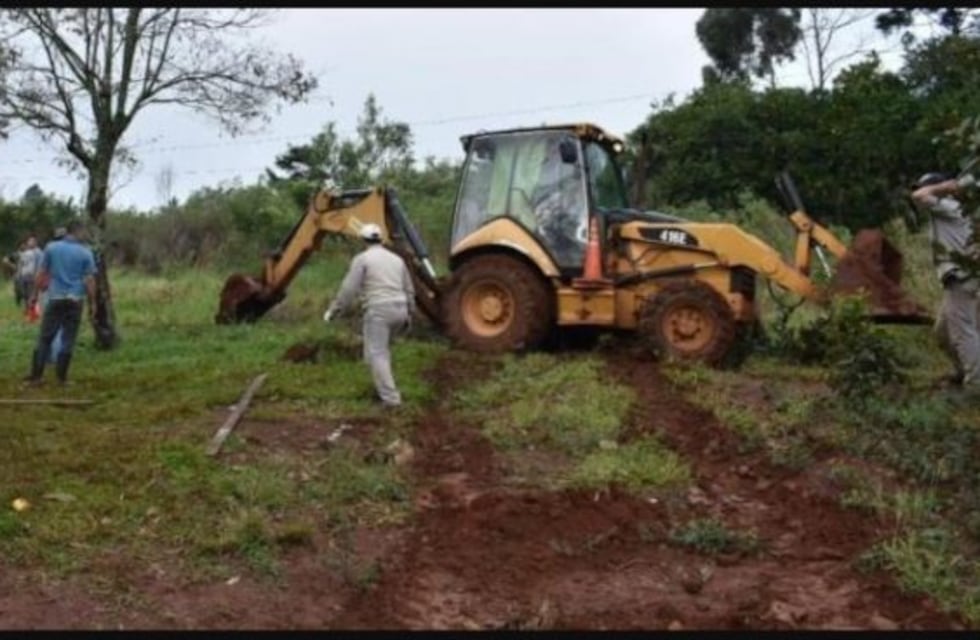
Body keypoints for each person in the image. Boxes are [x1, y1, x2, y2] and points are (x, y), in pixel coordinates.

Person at [322, 223, 415, 408]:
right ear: (381, 238)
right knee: (378, 352)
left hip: (379, 310)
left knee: (377, 354)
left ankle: (391, 400)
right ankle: (381, 386)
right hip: (400, 309)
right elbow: (409, 288)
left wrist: (335, 310)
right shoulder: (396, 259)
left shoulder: (363, 259)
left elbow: (349, 289)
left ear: (363, 240)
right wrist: (410, 312)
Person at [911, 171, 980, 392]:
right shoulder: (948, 211)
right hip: (959, 278)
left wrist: (946, 187)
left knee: (963, 332)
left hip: (961, 277)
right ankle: (962, 372)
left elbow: (920, 196)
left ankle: (976, 384)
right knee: (943, 331)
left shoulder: (950, 208)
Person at [24, 219, 97, 386]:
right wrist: (93, 304)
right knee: (68, 339)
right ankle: (61, 378)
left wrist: (34, 295)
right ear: (77, 231)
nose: (86, 235)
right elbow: (89, 280)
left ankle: (36, 376)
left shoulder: (51, 248)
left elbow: (41, 273)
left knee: (45, 338)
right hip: (75, 300)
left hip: (55, 298)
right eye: (84, 232)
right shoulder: (86, 252)